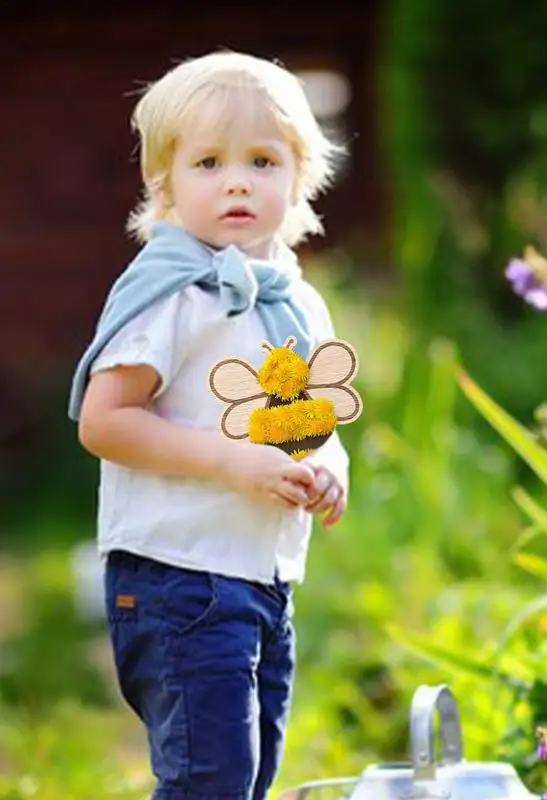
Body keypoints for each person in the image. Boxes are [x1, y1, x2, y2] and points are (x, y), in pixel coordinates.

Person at [67, 50, 350, 800]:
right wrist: (232, 462)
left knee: (248, 777)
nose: (237, 180)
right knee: (209, 779)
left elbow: (308, 423)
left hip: (263, 581)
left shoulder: (293, 300)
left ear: (300, 175)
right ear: (165, 181)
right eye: (209, 162)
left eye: (262, 160)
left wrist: (326, 471)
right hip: (179, 576)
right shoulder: (172, 293)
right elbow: (105, 421)